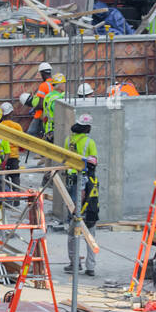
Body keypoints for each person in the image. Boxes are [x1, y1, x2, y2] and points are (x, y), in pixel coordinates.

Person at [65, 113, 99, 276]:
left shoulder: (68, 140)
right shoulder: (89, 142)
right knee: (89, 228)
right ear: (88, 127)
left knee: (73, 227)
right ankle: (90, 267)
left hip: (71, 183)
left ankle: (74, 263)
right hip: (86, 183)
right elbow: (94, 161)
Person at [20, 62, 54, 137]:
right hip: (50, 115)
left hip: (40, 115)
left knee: (30, 134)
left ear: (42, 73)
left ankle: (30, 149)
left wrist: (35, 108)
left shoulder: (43, 85)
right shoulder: (54, 84)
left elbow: (41, 104)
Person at [39, 74, 66, 142]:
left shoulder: (48, 96)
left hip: (48, 129)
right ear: (59, 85)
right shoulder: (58, 98)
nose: (65, 85)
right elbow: (59, 114)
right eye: (64, 83)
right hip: (55, 131)